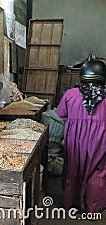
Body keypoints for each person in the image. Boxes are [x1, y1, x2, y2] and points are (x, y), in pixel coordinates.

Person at [57, 59, 106, 213]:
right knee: (97, 171)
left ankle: (71, 203)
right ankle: (93, 207)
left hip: (74, 140)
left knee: (73, 168)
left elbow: (60, 113)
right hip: (100, 141)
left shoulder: (71, 94)